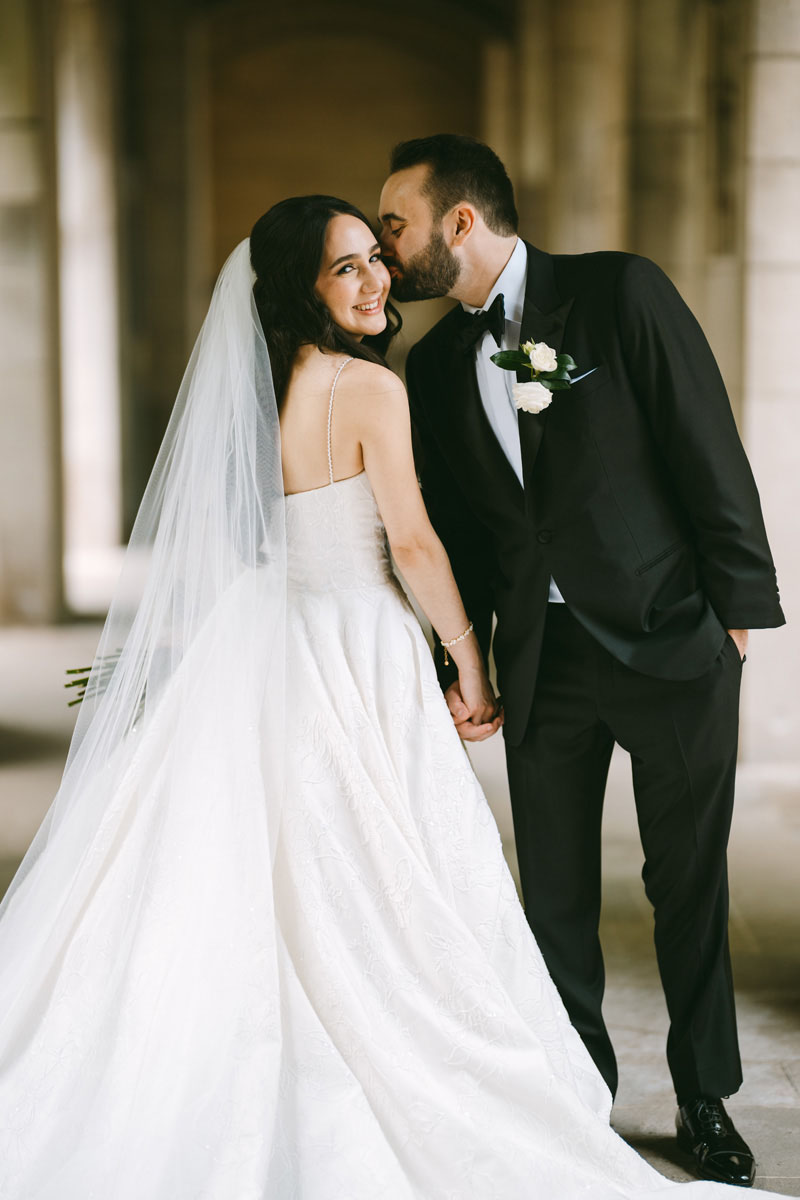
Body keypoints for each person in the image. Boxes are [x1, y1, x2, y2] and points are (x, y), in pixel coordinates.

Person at [0, 195, 785, 1200]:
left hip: (269, 635)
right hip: (361, 643)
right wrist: (467, 656)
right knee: (388, 867)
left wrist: (734, 597)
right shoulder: (369, 386)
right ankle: (486, 1068)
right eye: (347, 269)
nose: (376, 279)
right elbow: (412, 543)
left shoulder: (261, 386)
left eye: (377, 256)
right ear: (302, 288)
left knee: (271, 864)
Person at [378, 134, 785, 1191]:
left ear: (457, 222)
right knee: (550, 893)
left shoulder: (619, 296)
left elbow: (704, 439)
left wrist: (734, 610)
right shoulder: (430, 365)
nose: (387, 250)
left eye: (395, 224)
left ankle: (704, 1102)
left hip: (671, 640)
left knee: (684, 884)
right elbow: (462, 532)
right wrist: (458, 662)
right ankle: (574, 1094)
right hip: (544, 660)